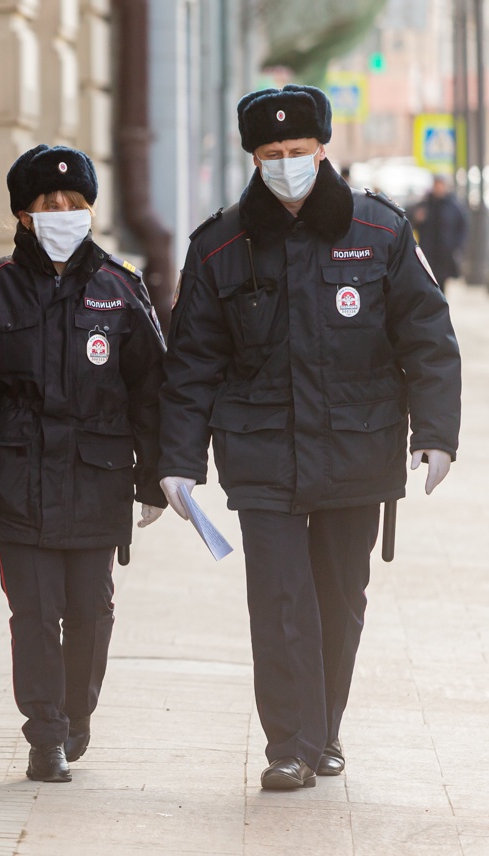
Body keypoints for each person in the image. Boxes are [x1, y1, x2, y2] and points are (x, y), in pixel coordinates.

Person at [158, 85, 462, 791]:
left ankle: (324, 731)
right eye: (272, 154)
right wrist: (177, 461)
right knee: (279, 600)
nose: (286, 165)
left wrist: (436, 432)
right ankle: (288, 747)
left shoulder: (383, 232)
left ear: (322, 150)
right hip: (260, 451)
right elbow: (192, 362)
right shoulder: (220, 246)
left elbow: (429, 336)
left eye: (298, 152)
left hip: (358, 447)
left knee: (340, 599)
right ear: (254, 159)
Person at [0, 145, 167, 783]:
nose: (61, 212)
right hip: (13, 479)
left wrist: (158, 476)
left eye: (73, 203)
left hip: (96, 478)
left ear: (89, 209)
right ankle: (45, 734)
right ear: (23, 215)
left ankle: (78, 715)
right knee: (33, 611)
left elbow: (153, 392)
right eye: (47, 204)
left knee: (91, 610)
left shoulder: (121, 287)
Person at [411, 175, 469, 285]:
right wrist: (417, 218)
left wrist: (457, 246)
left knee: (441, 282)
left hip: (445, 253)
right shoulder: (425, 203)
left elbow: (462, 226)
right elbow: (411, 222)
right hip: (428, 251)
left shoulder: (453, 206)